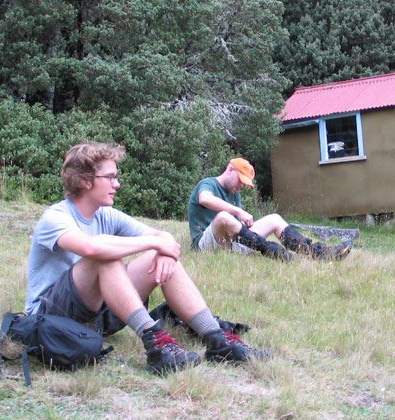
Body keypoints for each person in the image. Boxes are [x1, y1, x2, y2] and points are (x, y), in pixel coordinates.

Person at [25, 142, 268, 375]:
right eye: (110, 177)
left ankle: (218, 340)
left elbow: (164, 236)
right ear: (84, 180)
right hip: (51, 316)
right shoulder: (55, 217)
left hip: (96, 314)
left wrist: (161, 250)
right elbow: (90, 248)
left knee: (154, 254)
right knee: (104, 255)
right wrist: (155, 243)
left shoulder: (106, 215)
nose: (117, 184)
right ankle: (157, 343)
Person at [187, 158, 351, 261]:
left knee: (274, 218)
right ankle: (278, 254)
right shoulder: (208, 183)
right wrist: (238, 211)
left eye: (245, 183)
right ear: (230, 169)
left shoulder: (234, 193)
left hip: (231, 245)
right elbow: (205, 199)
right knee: (223, 216)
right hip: (206, 245)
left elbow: (238, 229)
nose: (242, 186)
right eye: (241, 180)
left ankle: (318, 253)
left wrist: (243, 222)